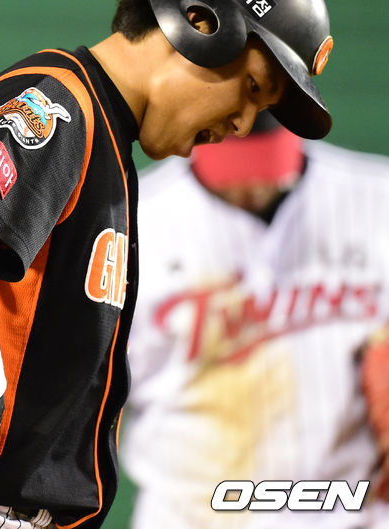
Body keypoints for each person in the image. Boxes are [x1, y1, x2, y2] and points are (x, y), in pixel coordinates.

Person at [0, 0, 334, 528]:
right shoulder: (64, 101)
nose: (243, 123)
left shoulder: (105, 137)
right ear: (199, 23)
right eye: (254, 89)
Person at [121, 111, 389, 529]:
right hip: (192, 515)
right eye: (234, 168)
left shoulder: (376, 198)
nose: (251, 187)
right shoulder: (134, 223)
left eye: (266, 166)